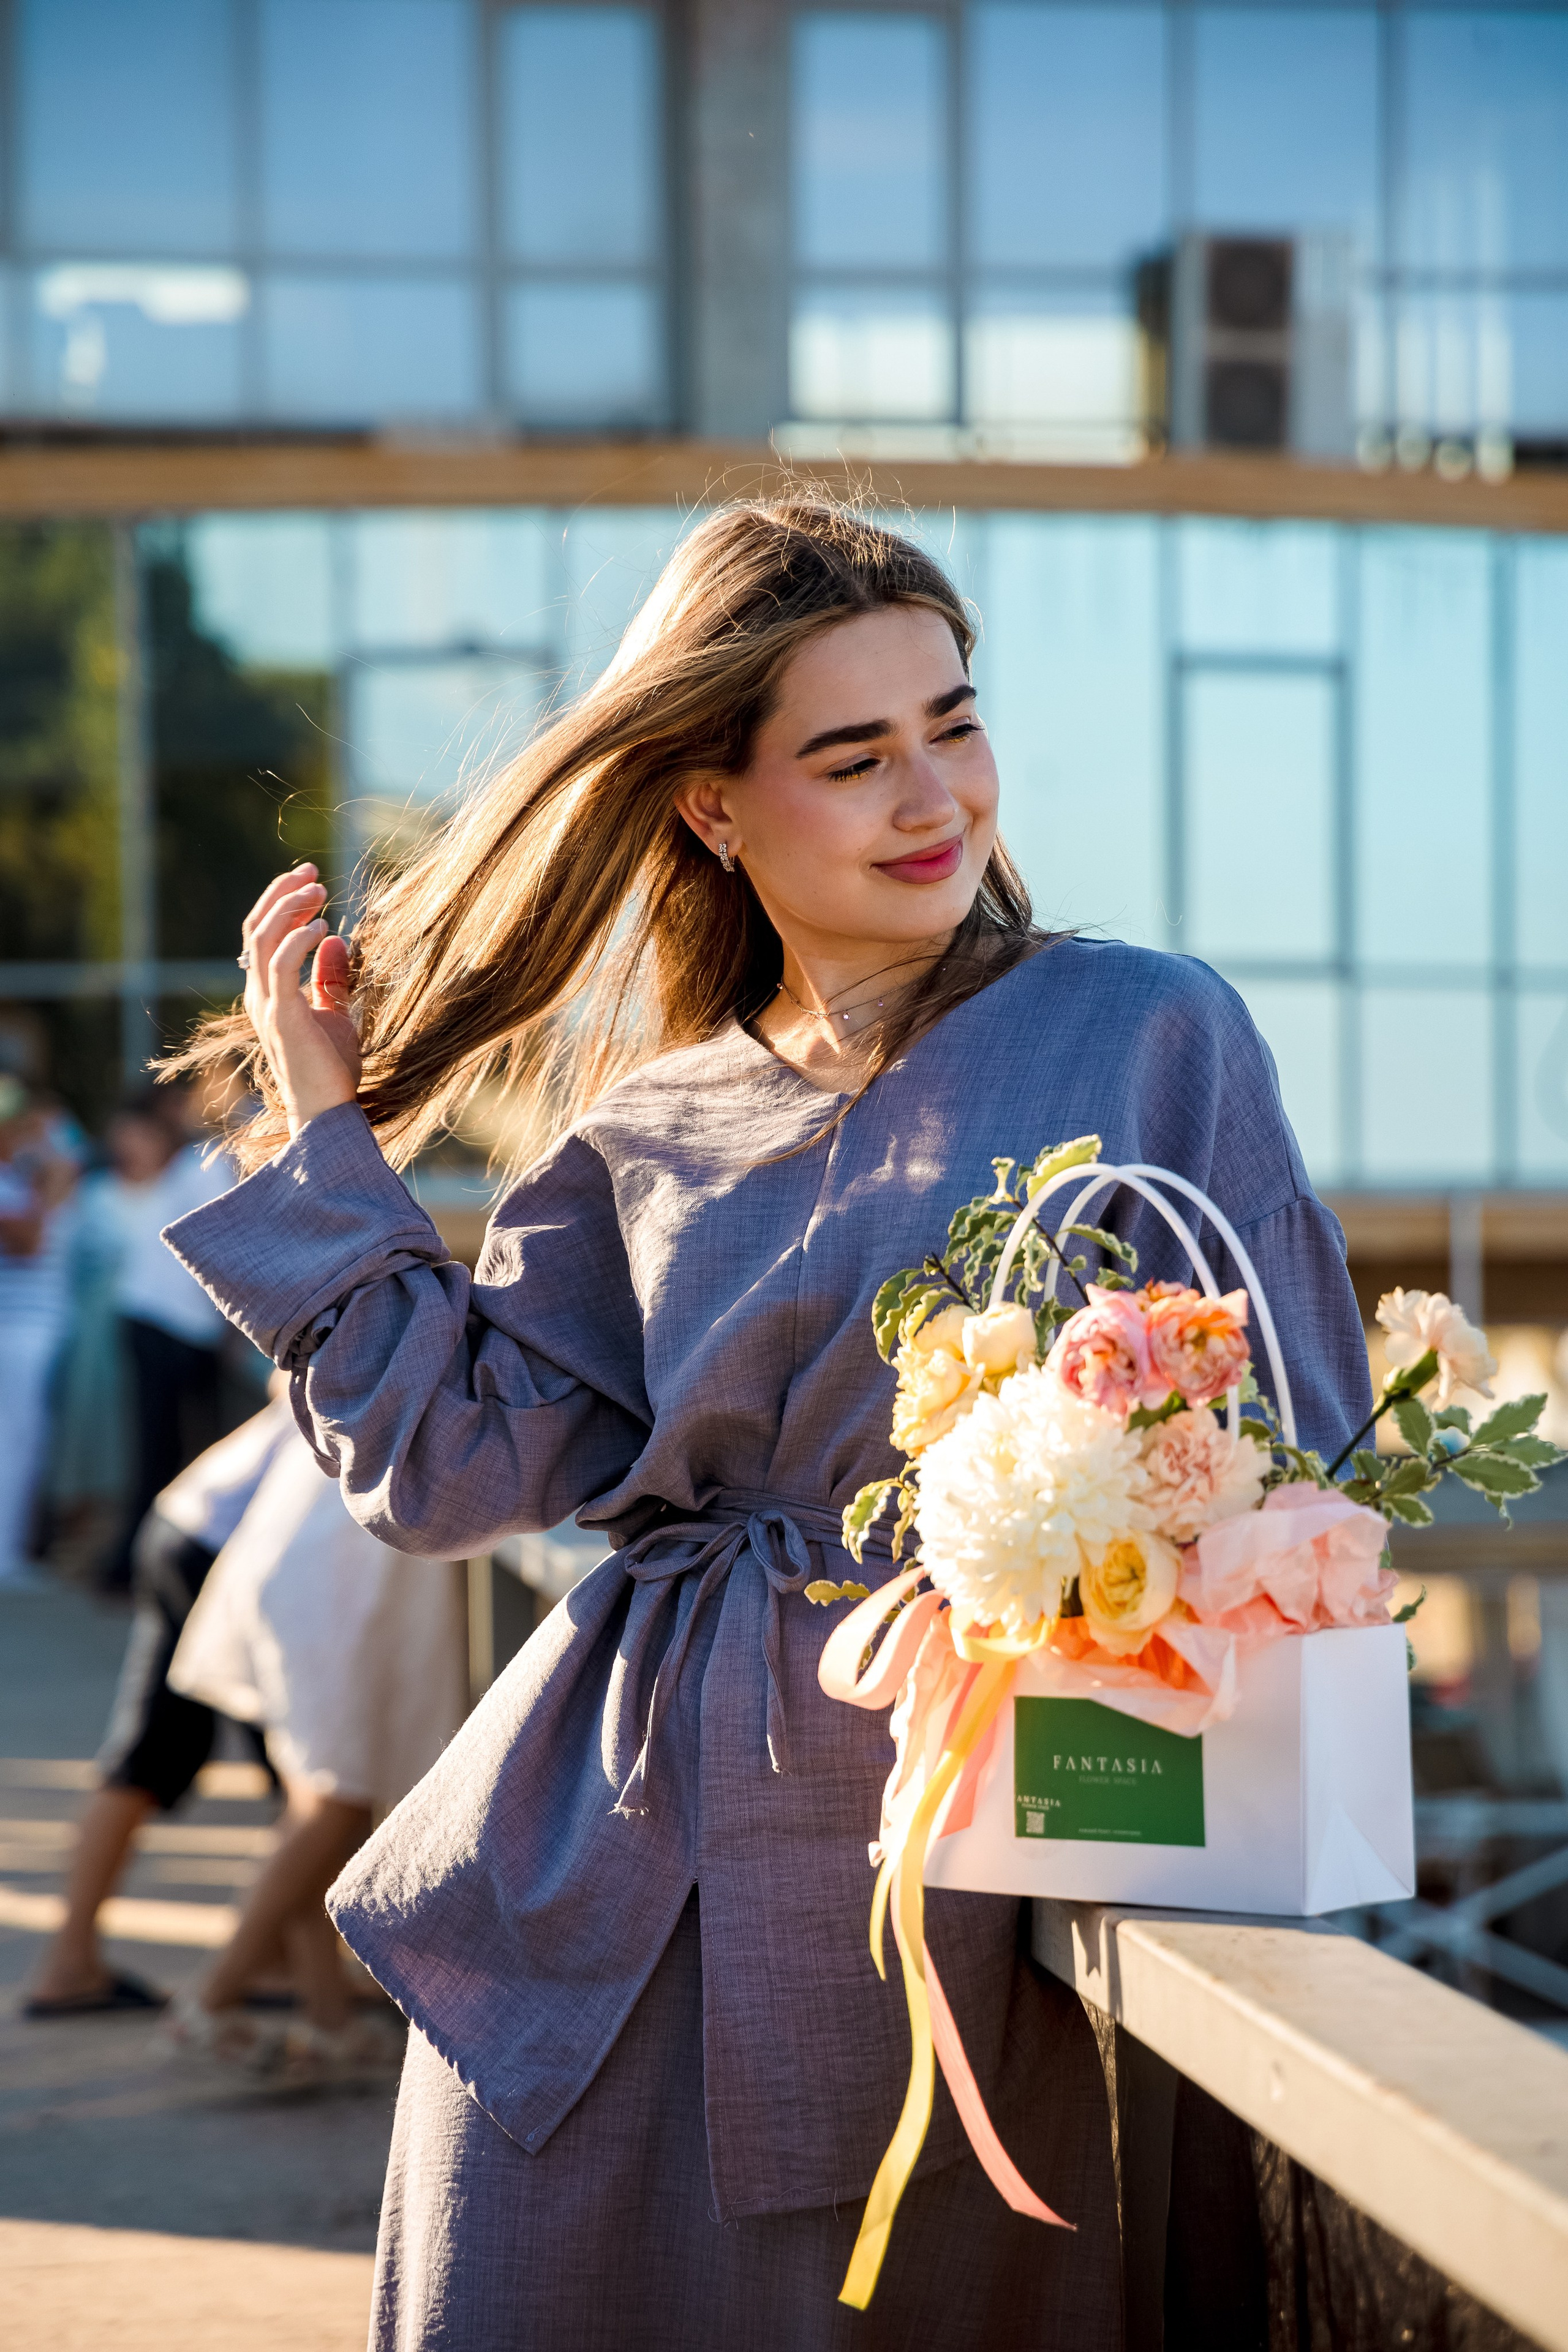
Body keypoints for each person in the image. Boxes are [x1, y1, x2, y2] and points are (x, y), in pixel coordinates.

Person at [162, 498, 1371, 2350]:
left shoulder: (1144, 1026)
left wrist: (1087, 1517)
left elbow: (1309, 1440)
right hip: (614, 1885)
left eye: (951, 723)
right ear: (711, 804)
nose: (932, 796)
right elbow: (447, 1467)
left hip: (962, 1886)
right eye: (852, 752)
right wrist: (328, 1134)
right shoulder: (647, 1129)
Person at [161, 1417, 466, 2079]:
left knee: (332, 1806)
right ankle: (213, 1995)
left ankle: (327, 2019)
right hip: (333, 1584)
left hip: (328, 1572)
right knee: (332, 1799)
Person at [23, 1399, 290, 2017]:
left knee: (145, 1755)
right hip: (226, 1543)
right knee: (308, 1780)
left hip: (188, 1517)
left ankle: (70, 1959)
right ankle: (272, 1969)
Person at [99, 1088, 234, 1593]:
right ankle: (140, 1572)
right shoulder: (204, 1164)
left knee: (161, 1451)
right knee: (170, 1453)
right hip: (170, 1329)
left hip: (158, 1323)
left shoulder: (193, 1166)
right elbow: (223, 1249)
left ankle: (131, 1569)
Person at [0, 1076, 82, 1588]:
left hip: (34, 1330)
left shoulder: (21, 1178)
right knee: (15, 1442)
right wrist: (52, 1170)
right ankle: (5, 1554)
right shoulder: (21, 1182)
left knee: (25, 1442)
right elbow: (29, 1241)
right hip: (16, 1331)